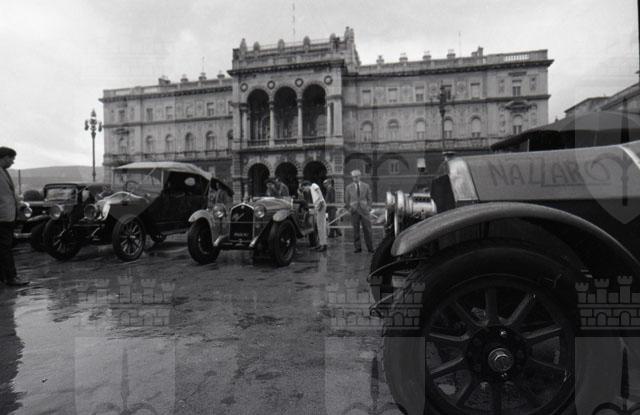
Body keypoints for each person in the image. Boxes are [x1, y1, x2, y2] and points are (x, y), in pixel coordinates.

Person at [0, 147, 28, 286]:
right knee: (5, 248)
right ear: (5, 157)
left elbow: (10, 193)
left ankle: (4, 277)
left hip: (7, 216)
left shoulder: (3, 171)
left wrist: (19, 204)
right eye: (12, 159)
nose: (12, 162)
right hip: (3, 217)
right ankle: (11, 277)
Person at [344, 169, 373, 253]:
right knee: (355, 230)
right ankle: (358, 248)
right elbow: (346, 200)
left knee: (367, 229)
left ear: (360, 177)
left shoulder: (366, 186)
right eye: (353, 177)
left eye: (356, 177)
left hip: (364, 210)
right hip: (354, 211)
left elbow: (369, 198)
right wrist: (349, 208)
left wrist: (369, 207)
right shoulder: (348, 187)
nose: (354, 178)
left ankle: (370, 248)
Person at [300, 180, 327, 252]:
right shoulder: (311, 190)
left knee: (321, 227)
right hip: (318, 206)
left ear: (306, 185)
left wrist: (321, 201)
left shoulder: (313, 185)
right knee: (319, 226)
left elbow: (319, 192)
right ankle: (322, 244)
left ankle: (323, 245)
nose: (304, 190)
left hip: (321, 205)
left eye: (304, 188)